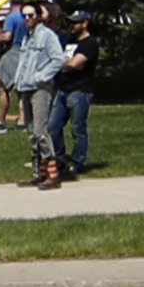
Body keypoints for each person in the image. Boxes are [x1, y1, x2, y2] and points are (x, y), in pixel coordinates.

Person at [1, 0, 69, 188]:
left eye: (31, 15)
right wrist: (18, 81)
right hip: (25, 87)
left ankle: (53, 174)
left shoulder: (48, 36)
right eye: (24, 16)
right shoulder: (27, 37)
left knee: (40, 130)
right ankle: (39, 172)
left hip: (41, 88)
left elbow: (58, 60)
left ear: (39, 16)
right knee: (31, 132)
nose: (27, 19)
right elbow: (23, 61)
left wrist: (40, 77)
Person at [49, 14, 97, 180]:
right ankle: (60, 160)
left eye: (76, 22)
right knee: (52, 127)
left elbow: (74, 64)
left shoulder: (90, 44)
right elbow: (61, 60)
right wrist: (65, 62)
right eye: (70, 22)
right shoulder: (67, 39)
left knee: (77, 128)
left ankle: (77, 163)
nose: (71, 25)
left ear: (85, 23)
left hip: (80, 91)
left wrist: (65, 62)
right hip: (62, 89)